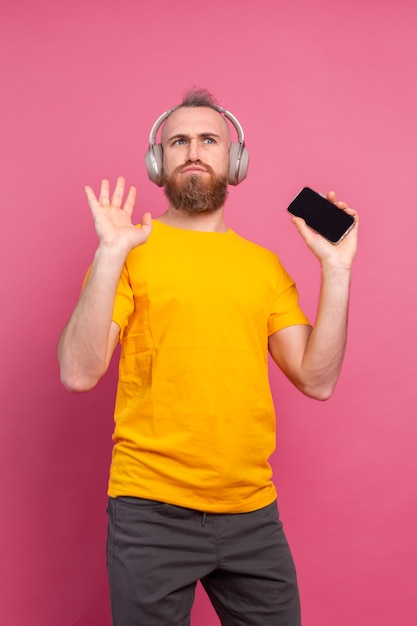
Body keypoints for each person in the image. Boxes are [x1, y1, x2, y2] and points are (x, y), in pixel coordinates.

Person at [58, 87, 358, 626]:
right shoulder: (129, 252)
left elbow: (317, 379)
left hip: (251, 513)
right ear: (158, 162)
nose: (194, 150)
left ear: (234, 160)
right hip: (150, 511)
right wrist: (108, 256)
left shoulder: (263, 268)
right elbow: (79, 372)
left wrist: (336, 272)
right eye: (178, 141)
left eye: (208, 139)